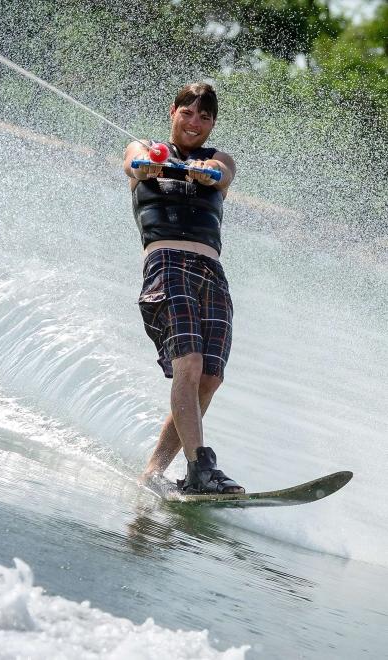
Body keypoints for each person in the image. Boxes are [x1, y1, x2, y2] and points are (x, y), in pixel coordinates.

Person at [123, 82, 244, 494]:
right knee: (188, 366)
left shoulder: (218, 159)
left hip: (211, 271)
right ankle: (200, 467)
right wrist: (150, 166)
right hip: (166, 263)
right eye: (188, 113)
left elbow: (222, 174)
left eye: (204, 117)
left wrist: (206, 174)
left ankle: (153, 471)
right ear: (173, 111)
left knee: (209, 377)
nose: (195, 123)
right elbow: (134, 165)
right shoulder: (143, 147)